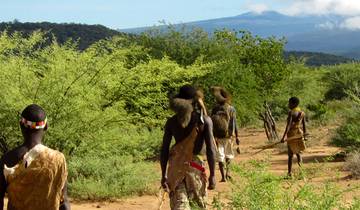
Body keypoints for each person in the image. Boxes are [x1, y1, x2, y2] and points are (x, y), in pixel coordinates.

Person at [0, 104, 70, 210]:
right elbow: (63, 202)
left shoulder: (8, 159)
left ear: (21, 125)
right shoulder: (58, 160)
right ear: (46, 126)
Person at [160, 85, 216, 210]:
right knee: (198, 206)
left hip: (175, 169)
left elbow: (164, 149)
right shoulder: (205, 121)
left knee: (180, 206)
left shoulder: (171, 122)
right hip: (196, 169)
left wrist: (164, 174)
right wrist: (213, 174)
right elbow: (211, 149)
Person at [210, 86, 240, 182]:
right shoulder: (231, 109)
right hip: (229, 136)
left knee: (220, 157)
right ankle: (228, 173)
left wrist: (211, 136)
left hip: (218, 137)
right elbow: (234, 123)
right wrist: (237, 136)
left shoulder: (214, 109)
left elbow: (211, 123)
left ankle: (223, 177)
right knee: (229, 155)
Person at [281, 97, 308, 177]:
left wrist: (283, 137)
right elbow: (304, 125)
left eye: (290, 103)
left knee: (290, 155)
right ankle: (302, 173)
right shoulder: (302, 112)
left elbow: (288, 126)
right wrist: (305, 134)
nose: (288, 105)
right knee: (299, 153)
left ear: (294, 104)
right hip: (299, 133)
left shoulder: (291, 113)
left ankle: (289, 174)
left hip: (292, 135)